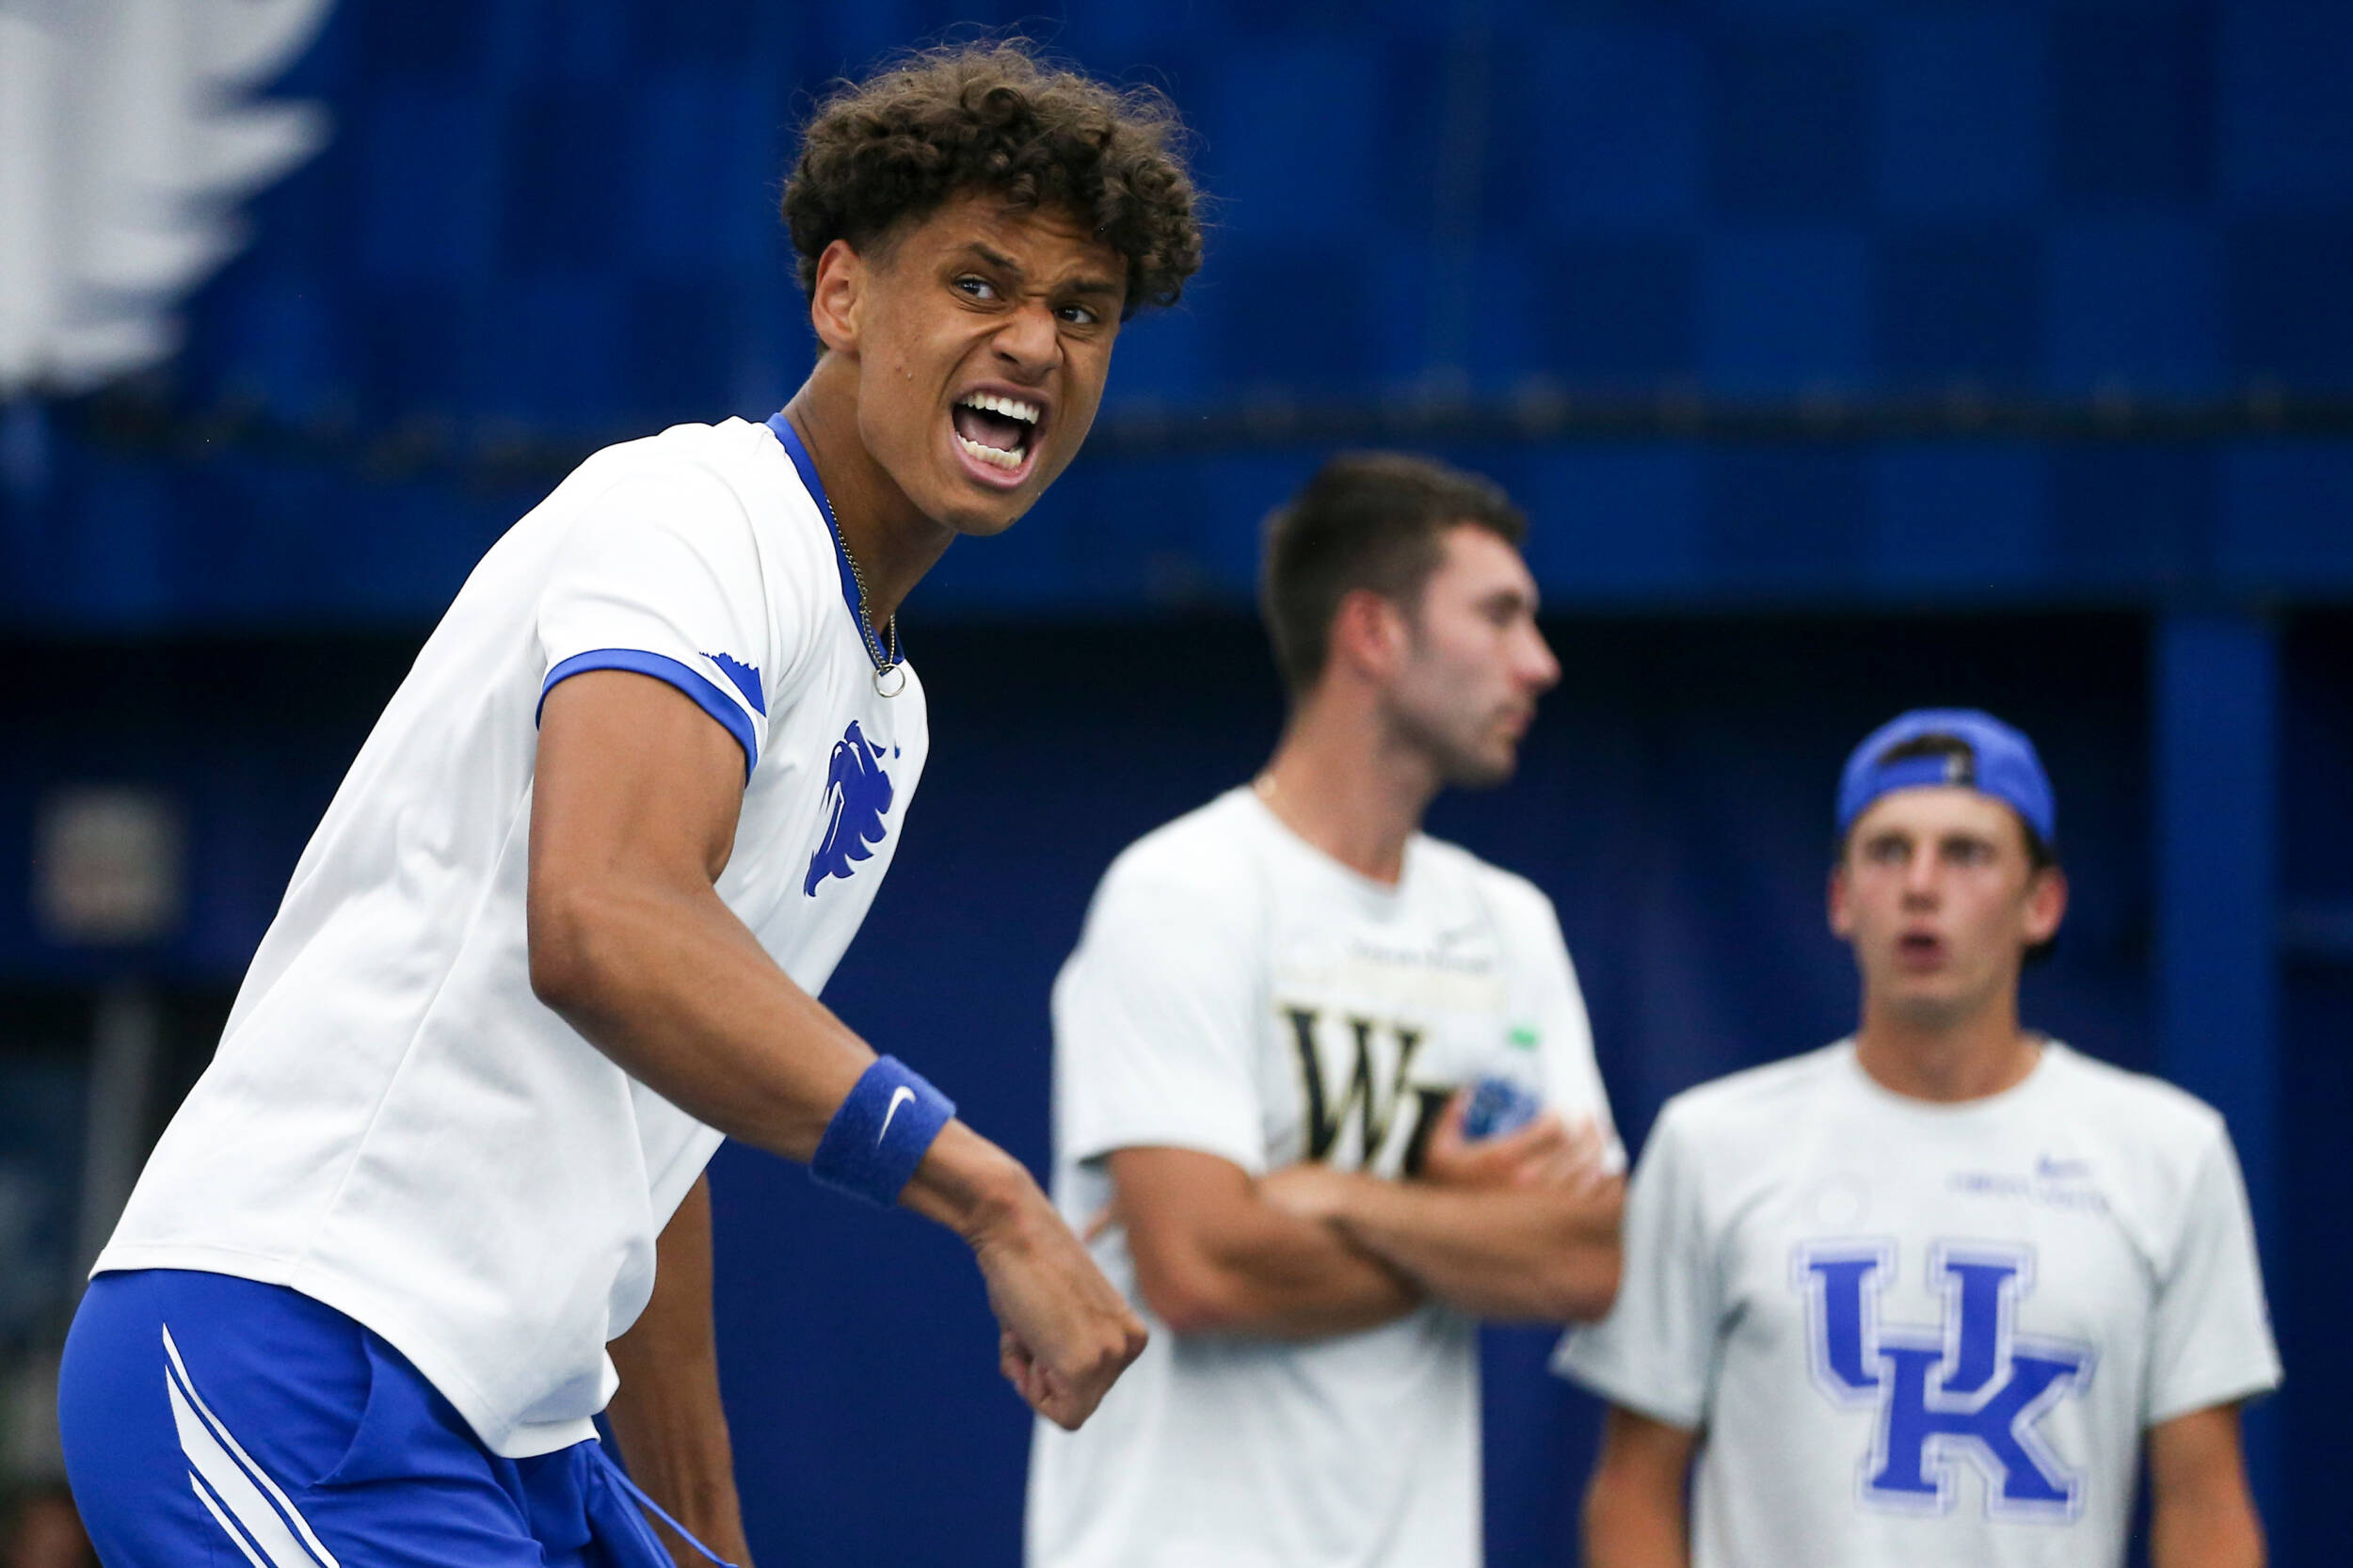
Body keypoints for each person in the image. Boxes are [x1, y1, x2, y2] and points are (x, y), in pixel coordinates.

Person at [56, 41, 1202, 1568]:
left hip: (511, 1430)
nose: (1037, 343)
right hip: (294, 1356)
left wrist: (704, 1530)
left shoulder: (887, 710)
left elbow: (657, 1120)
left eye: (1082, 312)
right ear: (843, 296)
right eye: (982, 285)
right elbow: (601, 921)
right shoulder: (696, 516)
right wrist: (992, 1197)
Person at [1025, 454, 1626, 1568]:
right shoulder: (1184, 891)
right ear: (1373, 634)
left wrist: (1336, 1194)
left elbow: (1590, 1262)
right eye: (1497, 617)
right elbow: (1203, 1269)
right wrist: (1463, 1227)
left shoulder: (1511, 923)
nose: (1537, 664)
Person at [1559, 710, 2282, 1568]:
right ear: (1840, 898)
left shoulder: (2170, 1153)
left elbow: (2205, 1503)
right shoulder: (1710, 1144)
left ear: (2041, 903)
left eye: (1967, 853)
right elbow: (1633, 1489)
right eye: (1888, 851)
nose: (1921, 886)